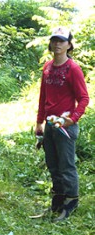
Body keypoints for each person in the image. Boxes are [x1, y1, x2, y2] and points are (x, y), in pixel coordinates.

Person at [35, 27, 90, 222]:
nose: (57, 44)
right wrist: (39, 122)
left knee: (66, 166)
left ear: (69, 44)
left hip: (65, 126)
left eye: (61, 40)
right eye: (54, 40)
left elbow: (84, 98)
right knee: (52, 164)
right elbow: (43, 97)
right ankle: (57, 201)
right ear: (50, 43)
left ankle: (71, 202)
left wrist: (72, 118)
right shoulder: (48, 67)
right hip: (50, 125)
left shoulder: (73, 69)